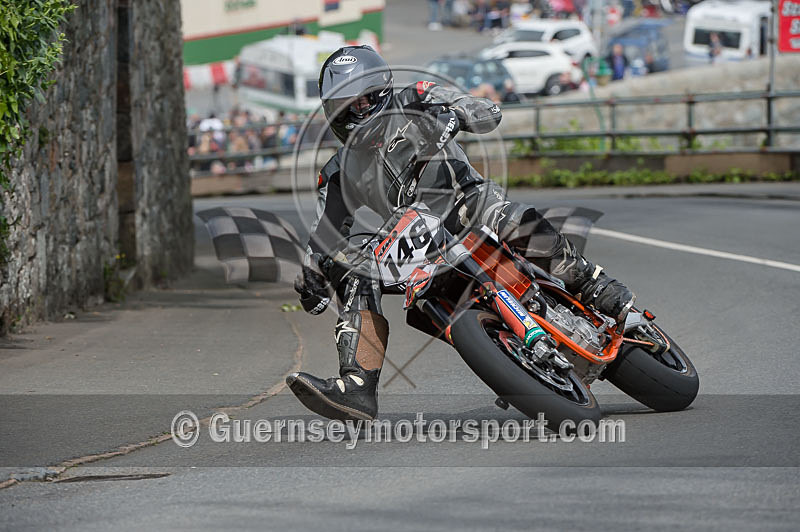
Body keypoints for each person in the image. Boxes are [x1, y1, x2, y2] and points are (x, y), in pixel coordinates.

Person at [287, 46, 634, 421]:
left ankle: (593, 284)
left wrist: (456, 114)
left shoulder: (416, 97)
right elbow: (323, 235)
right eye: (344, 106)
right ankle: (356, 386)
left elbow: (487, 110)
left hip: (466, 202)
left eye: (362, 100)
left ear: (382, 92)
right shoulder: (337, 172)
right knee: (355, 275)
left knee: (509, 218)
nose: (354, 112)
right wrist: (313, 274)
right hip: (413, 236)